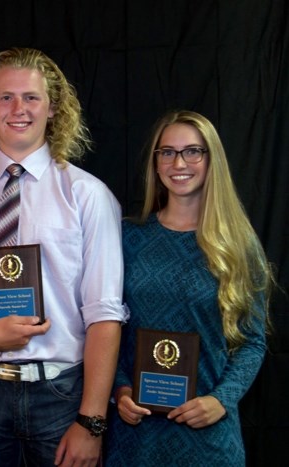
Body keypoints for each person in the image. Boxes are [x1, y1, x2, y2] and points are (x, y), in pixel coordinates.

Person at [0, 47, 126, 466]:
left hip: (62, 395)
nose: (18, 109)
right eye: (6, 97)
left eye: (31, 97)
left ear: (52, 109)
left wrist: (92, 421)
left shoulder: (88, 195)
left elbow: (103, 312)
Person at [105, 110, 274, 465]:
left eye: (193, 151)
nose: (179, 162)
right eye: (167, 152)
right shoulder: (126, 237)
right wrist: (120, 390)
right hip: (135, 436)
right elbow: (108, 329)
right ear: (156, 162)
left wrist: (220, 400)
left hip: (207, 437)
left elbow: (252, 341)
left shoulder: (239, 245)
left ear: (212, 159)